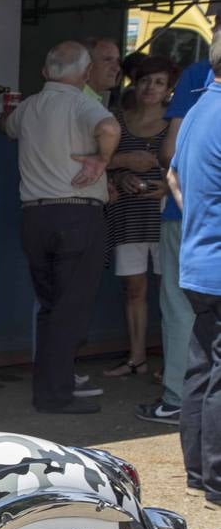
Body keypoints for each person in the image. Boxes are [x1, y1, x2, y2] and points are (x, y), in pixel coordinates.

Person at [3, 41, 119, 414]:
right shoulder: (84, 103)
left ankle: (53, 386)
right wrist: (101, 160)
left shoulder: (29, 107)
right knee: (71, 310)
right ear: (86, 74)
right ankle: (56, 395)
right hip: (77, 216)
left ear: (44, 72)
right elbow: (109, 127)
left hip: (35, 218)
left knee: (50, 307)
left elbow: (6, 127)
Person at [167, 32, 221, 508]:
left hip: (199, 260)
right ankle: (216, 481)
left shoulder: (200, 108)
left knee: (203, 367)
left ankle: (199, 473)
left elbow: (173, 176)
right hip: (216, 264)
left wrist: (200, 218)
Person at [103, 56, 171, 379]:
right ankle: (137, 358)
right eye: (145, 80)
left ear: (169, 89)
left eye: (158, 82)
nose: (150, 88)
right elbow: (101, 162)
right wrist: (119, 178)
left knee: (171, 293)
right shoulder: (118, 119)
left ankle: (174, 364)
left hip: (165, 217)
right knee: (134, 289)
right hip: (127, 215)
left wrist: (168, 190)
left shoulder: (177, 122)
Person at [82, 36, 122, 107]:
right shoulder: (79, 102)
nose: (117, 68)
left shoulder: (91, 99)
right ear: (87, 64)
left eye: (117, 61)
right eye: (108, 60)